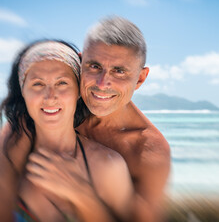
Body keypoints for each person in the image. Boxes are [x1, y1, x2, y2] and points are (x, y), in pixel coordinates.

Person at [0, 40, 133, 222]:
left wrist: (82, 195)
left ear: (78, 91)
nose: (50, 96)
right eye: (38, 84)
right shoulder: (9, 155)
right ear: (23, 92)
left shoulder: (108, 166)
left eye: (62, 83)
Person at [76, 16, 171, 222]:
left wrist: (76, 191)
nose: (102, 83)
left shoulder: (148, 150)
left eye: (119, 71)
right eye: (94, 66)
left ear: (140, 79)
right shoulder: (59, 108)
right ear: (80, 62)